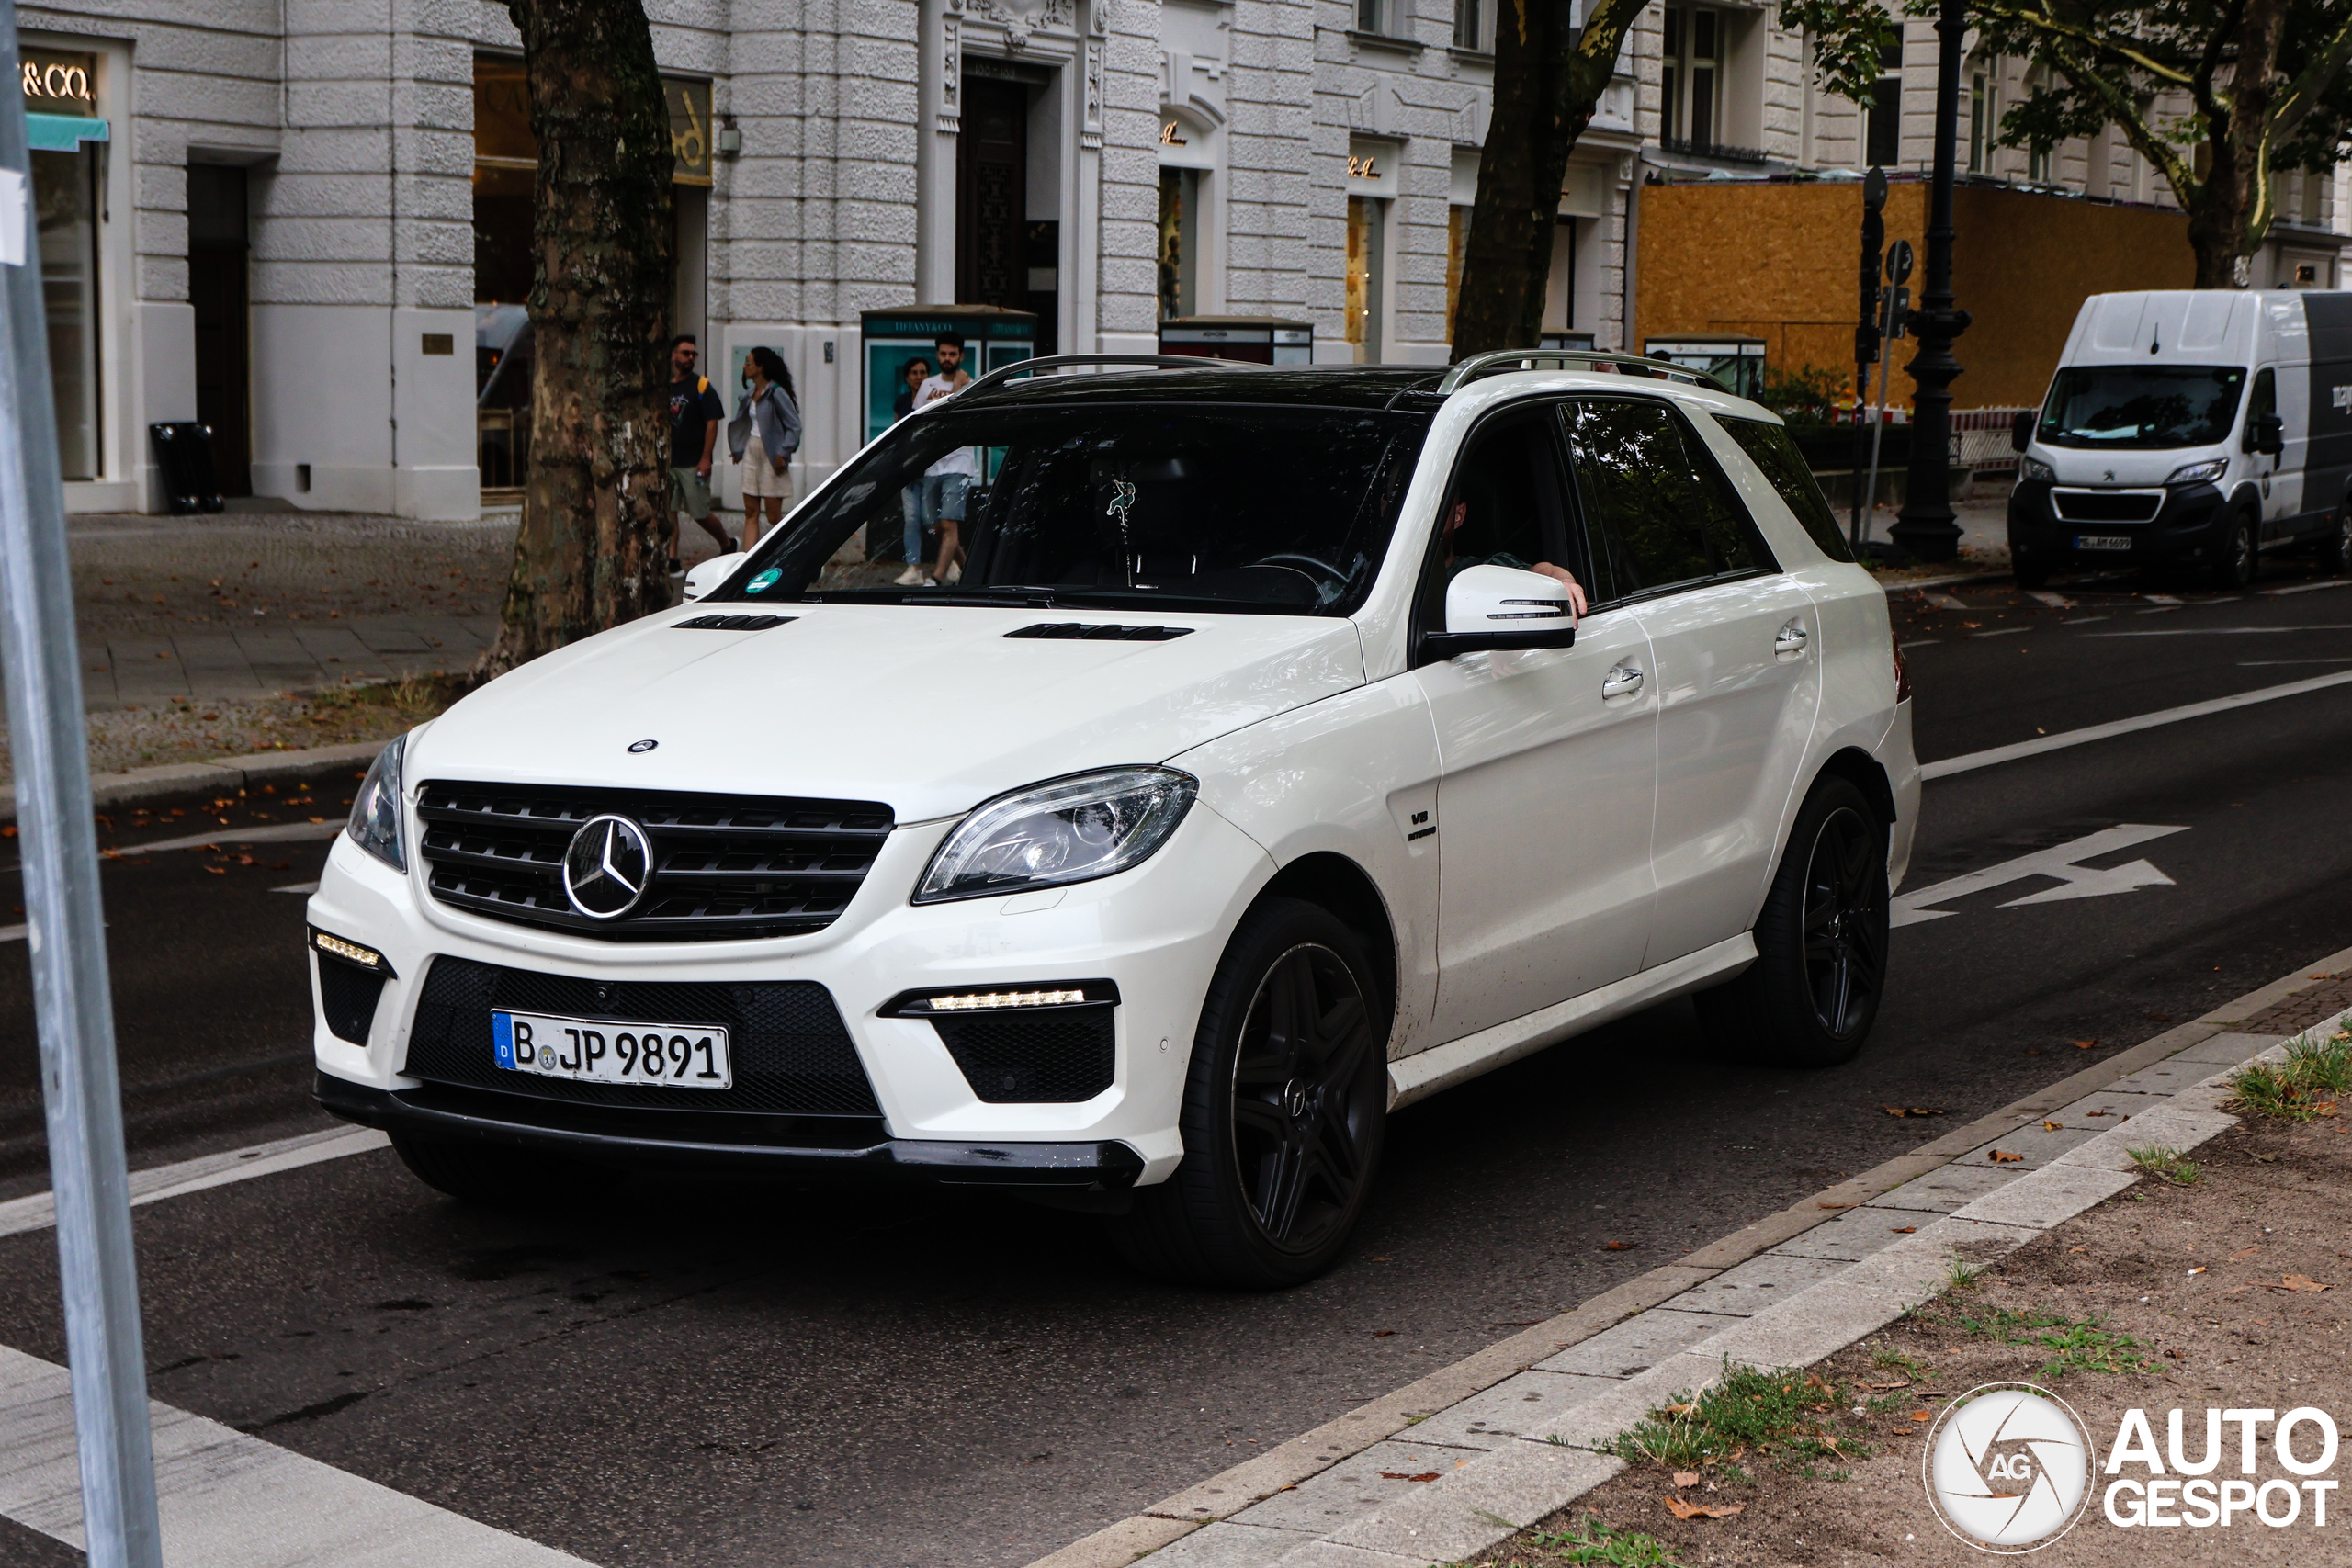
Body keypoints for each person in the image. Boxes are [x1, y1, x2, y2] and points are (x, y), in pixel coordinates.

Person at [907, 333, 977, 586]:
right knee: (933, 524)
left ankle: (936, 579)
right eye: (943, 354)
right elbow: (918, 422)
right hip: (932, 465)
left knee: (949, 523)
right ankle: (969, 569)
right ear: (937, 355)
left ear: (961, 356)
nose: (947, 359)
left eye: (953, 354)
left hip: (959, 464)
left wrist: (960, 389)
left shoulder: (971, 384)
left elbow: (962, 420)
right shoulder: (927, 386)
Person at [1442, 500, 1588, 619]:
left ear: (1458, 515)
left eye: (1437, 509)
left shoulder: (1488, 568)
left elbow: (1536, 572)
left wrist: (1560, 583)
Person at [666, 335, 731, 571]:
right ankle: (672, 559)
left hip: (693, 462)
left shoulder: (701, 386)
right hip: (669, 460)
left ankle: (726, 543)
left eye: (694, 354)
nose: (690, 358)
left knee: (699, 512)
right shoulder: (666, 386)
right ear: (674, 355)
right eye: (686, 353)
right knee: (669, 511)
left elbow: (712, 424)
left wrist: (705, 458)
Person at [728, 345, 802, 548]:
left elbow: (794, 426)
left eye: (748, 362)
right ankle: (747, 566)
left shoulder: (776, 393)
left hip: (771, 454)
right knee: (750, 512)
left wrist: (783, 452)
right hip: (752, 452)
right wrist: (738, 449)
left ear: (760, 367)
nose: (744, 366)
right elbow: (745, 423)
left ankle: (801, 549)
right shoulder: (750, 392)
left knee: (773, 516)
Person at [892, 356, 932, 586]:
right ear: (907, 377)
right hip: (908, 470)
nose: (919, 377)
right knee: (911, 519)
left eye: (923, 372)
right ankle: (914, 567)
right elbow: (897, 435)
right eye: (914, 373)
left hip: (930, 470)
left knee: (932, 520)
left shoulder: (934, 400)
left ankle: (953, 562)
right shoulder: (902, 402)